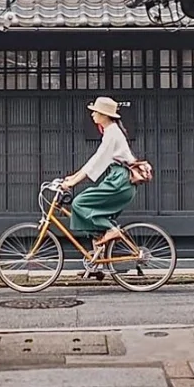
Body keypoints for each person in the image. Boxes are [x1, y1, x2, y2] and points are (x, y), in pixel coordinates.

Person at [57, 96, 136, 279]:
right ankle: (95, 264)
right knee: (95, 219)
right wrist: (73, 177)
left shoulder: (112, 133)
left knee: (79, 202)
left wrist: (73, 182)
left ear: (104, 115)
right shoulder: (111, 132)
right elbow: (95, 161)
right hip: (118, 180)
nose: (92, 115)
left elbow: (97, 161)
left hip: (120, 181)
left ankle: (112, 230)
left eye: (95, 112)